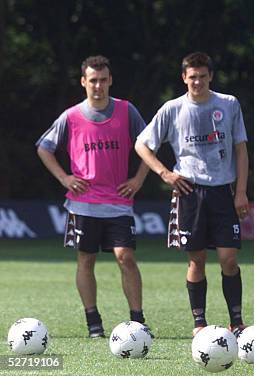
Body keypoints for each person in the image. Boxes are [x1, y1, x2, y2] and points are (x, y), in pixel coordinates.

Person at [135, 52, 249, 337]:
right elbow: (142, 145)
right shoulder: (172, 109)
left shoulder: (229, 104)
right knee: (196, 260)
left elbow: (241, 149)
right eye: (192, 77)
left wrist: (242, 192)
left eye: (202, 76)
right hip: (189, 193)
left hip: (223, 191)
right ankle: (199, 323)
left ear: (211, 76)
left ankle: (236, 321)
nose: (197, 81)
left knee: (229, 259)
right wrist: (165, 173)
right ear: (184, 78)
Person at [36, 55, 151, 338]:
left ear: (110, 80)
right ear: (83, 82)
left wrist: (138, 179)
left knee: (126, 257)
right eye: (93, 81)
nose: (98, 86)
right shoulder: (71, 116)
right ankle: (93, 323)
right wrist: (64, 177)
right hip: (83, 204)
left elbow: (149, 143)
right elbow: (44, 147)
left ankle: (137, 321)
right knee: (85, 261)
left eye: (103, 80)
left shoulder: (127, 111)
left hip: (119, 202)